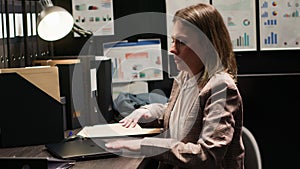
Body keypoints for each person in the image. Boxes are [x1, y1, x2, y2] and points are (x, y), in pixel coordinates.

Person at [105, 3, 244, 169]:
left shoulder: (220, 87)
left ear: (208, 45)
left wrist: (144, 145)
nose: (172, 49)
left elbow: (207, 156)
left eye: (182, 42)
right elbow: (179, 113)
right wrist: (147, 112)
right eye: (173, 40)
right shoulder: (185, 76)